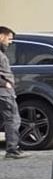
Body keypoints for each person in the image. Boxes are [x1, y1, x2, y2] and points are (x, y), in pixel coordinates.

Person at [0, 26, 19, 158]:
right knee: (12, 119)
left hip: (5, 91)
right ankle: (12, 150)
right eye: (9, 39)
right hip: (3, 92)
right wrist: (5, 83)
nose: (10, 42)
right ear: (1, 36)